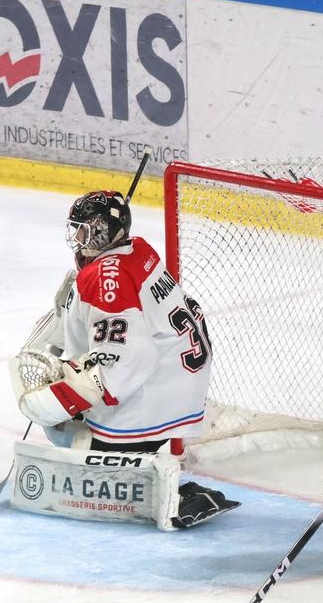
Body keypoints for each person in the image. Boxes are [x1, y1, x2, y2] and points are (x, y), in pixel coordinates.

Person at [12, 190, 238, 529]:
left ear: (102, 232)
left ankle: (160, 487)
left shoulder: (106, 280)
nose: (77, 238)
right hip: (175, 386)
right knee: (69, 419)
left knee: (70, 439)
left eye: (84, 230)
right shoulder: (138, 251)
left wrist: (67, 392)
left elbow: (126, 359)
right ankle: (141, 458)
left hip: (150, 399)